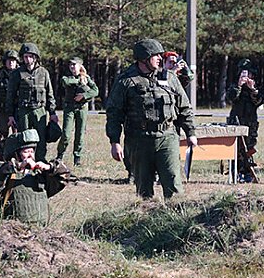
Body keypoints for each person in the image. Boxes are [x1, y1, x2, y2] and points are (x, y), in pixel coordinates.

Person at [106, 38, 198, 199]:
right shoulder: (126, 80)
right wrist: (115, 142)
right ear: (144, 58)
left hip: (167, 137)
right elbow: (114, 113)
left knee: (174, 186)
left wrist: (191, 133)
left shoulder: (169, 77)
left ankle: (176, 220)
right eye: (156, 55)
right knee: (144, 191)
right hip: (139, 141)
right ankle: (145, 221)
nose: (160, 59)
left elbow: (184, 107)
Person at [0, 129, 70, 225]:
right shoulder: (6, 173)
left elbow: (64, 176)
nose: (30, 155)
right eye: (26, 151)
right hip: (12, 229)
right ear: (16, 154)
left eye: (32, 151)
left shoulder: (40, 175)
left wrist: (49, 167)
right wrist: (18, 166)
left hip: (40, 229)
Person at [6, 42, 57, 162]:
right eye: (25, 56)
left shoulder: (43, 72)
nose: (27, 59)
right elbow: (11, 96)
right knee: (25, 138)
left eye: (30, 56)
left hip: (40, 110)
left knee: (41, 138)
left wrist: (53, 113)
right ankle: (26, 163)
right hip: (24, 111)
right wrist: (10, 115)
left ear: (35, 57)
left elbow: (50, 93)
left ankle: (40, 162)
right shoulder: (17, 73)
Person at [56, 57, 99, 167]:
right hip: (69, 108)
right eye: (70, 65)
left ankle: (77, 158)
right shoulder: (67, 77)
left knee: (80, 134)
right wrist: (80, 81)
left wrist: (84, 96)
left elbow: (95, 91)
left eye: (74, 65)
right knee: (66, 134)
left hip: (82, 108)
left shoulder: (87, 78)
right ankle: (60, 155)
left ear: (80, 66)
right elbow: (65, 82)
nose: (72, 67)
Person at [226, 58, 263, 183]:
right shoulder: (234, 85)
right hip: (236, 120)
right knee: (235, 148)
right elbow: (231, 98)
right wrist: (238, 86)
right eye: (243, 73)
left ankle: (247, 172)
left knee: (249, 147)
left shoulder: (255, 86)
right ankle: (236, 172)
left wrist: (252, 89)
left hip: (250, 121)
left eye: (248, 74)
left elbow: (259, 102)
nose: (246, 76)